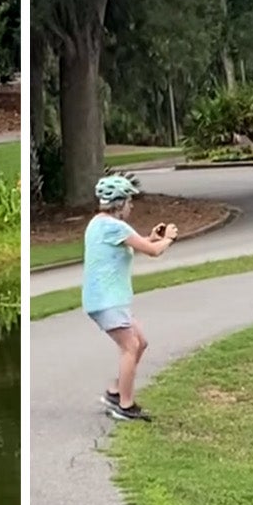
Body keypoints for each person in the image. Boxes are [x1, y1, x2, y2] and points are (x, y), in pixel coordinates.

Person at [82, 173, 178, 422]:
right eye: (129, 201)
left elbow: (140, 244)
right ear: (119, 203)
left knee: (140, 342)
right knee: (130, 346)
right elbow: (154, 252)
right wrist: (168, 239)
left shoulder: (99, 223)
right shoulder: (115, 226)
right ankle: (124, 406)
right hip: (107, 301)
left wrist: (152, 238)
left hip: (109, 299)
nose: (131, 206)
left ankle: (116, 392)